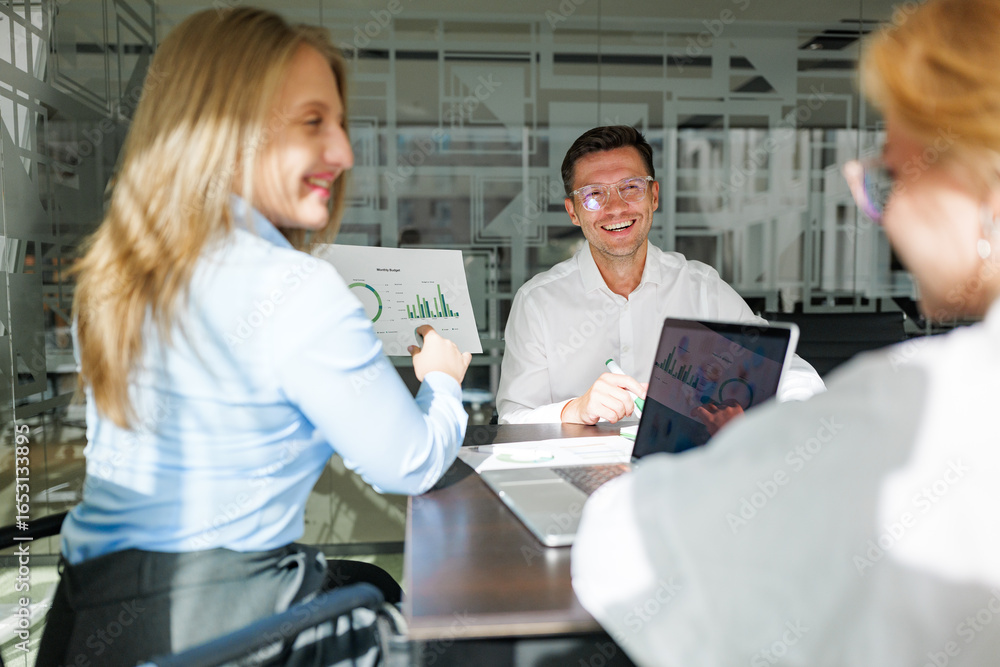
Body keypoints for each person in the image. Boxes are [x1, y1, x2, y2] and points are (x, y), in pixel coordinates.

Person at [36, 7, 471, 665]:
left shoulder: (113, 276)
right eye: (312, 122)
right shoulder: (294, 287)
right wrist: (441, 377)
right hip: (234, 633)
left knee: (373, 581)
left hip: (93, 624)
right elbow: (408, 463)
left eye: (340, 124)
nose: (344, 152)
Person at [571, 0, 1000, 664]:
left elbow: (625, 552)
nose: (882, 218)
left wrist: (756, 450)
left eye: (890, 178)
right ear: (574, 211)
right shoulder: (542, 302)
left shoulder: (917, 407)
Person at [496, 125, 824, 425]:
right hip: (579, 479)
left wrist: (769, 416)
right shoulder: (538, 302)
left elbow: (791, 375)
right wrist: (575, 410)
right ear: (573, 212)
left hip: (683, 475)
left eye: (631, 188)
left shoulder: (702, 290)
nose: (615, 207)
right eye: (594, 195)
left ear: (654, 196)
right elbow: (513, 418)